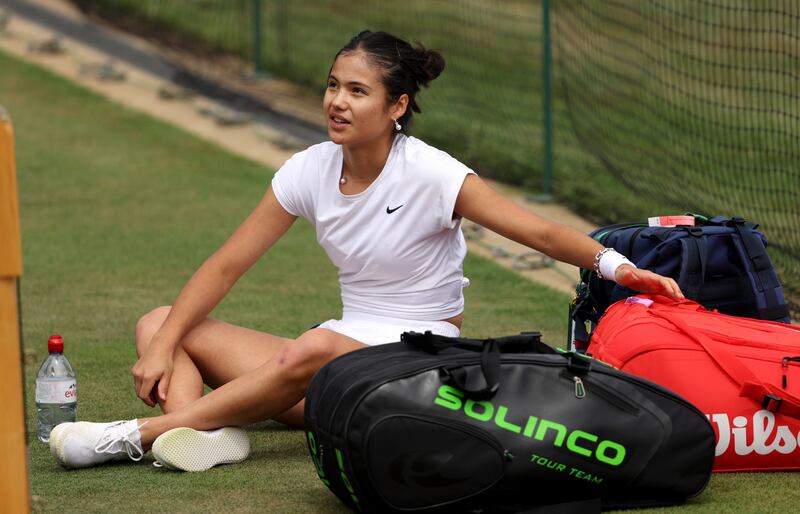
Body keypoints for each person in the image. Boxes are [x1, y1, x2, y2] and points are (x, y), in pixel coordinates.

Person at [49, 30, 683, 472]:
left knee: (314, 346)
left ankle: (132, 436)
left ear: (397, 106)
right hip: (331, 359)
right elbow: (225, 265)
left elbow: (539, 232)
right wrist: (161, 346)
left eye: (356, 91)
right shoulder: (309, 169)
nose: (336, 101)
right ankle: (198, 432)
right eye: (332, 86)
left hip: (412, 367)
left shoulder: (434, 174)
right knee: (161, 322)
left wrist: (621, 268)